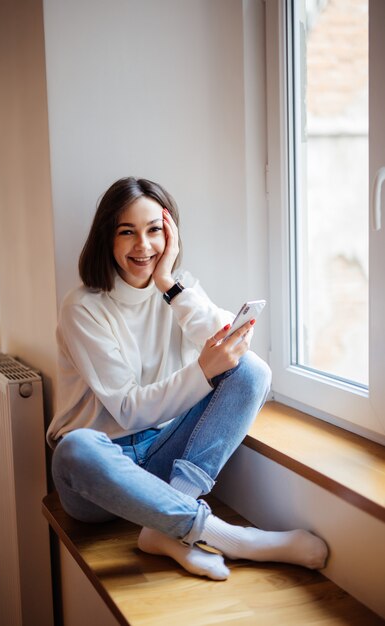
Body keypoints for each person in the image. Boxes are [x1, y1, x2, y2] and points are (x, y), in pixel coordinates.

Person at [47, 177, 328, 581]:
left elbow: (235, 351)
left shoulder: (179, 291)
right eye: (127, 232)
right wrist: (202, 372)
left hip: (163, 456)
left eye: (154, 230)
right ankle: (231, 537)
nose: (143, 246)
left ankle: (164, 528)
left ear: (170, 235)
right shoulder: (82, 307)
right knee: (75, 448)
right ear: (106, 238)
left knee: (252, 371)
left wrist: (170, 286)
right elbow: (128, 410)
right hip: (98, 477)